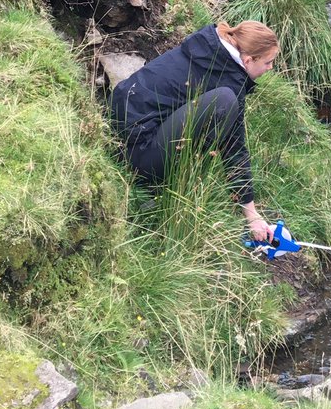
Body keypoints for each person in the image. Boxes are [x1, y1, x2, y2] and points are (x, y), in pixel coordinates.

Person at [110, 20, 280, 244]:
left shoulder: (207, 49)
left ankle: (157, 179)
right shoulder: (228, 79)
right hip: (139, 152)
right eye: (268, 62)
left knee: (220, 104)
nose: (270, 68)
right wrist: (252, 215)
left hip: (118, 132)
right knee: (224, 102)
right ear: (248, 60)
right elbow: (233, 148)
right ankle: (154, 186)